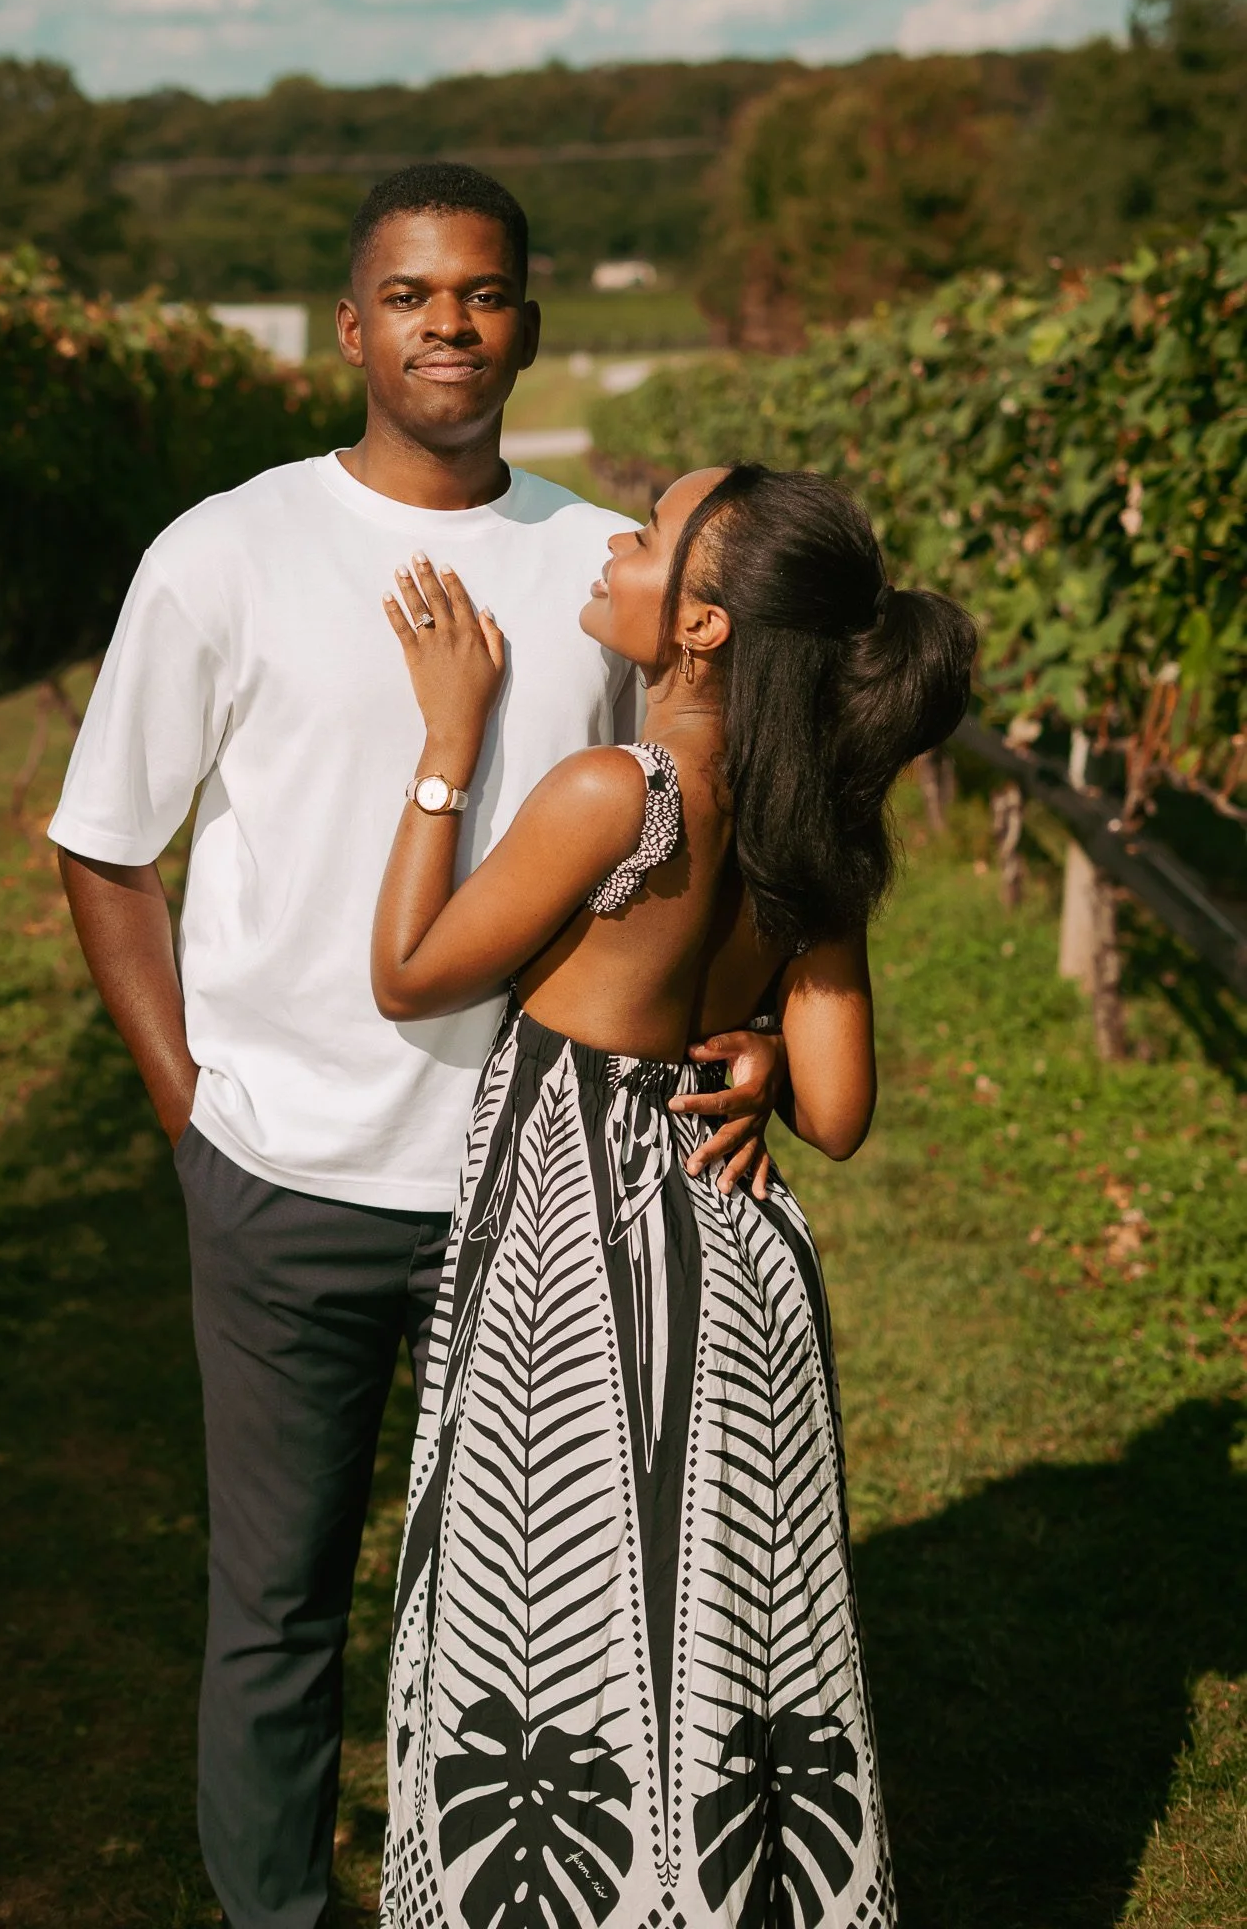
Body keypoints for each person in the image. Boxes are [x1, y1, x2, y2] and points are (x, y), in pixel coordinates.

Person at [48, 164, 786, 1929]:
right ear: (351, 323)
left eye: (483, 292)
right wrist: (193, 1115)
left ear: (528, 321)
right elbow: (104, 848)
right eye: (411, 294)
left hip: (542, 1181)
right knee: (280, 1607)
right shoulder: (224, 551)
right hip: (283, 1174)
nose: (449, 323)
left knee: (542, 1618)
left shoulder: (601, 561)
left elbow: (693, 826)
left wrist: (752, 1020)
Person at [371, 463, 978, 1929]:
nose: (612, 543)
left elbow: (408, 973)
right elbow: (834, 1115)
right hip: (733, 1246)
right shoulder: (806, 816)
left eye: (644, 536)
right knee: (719, 1630)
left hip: (574, 1263)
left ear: (699, 626)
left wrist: (445, 744)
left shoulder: (614, 793)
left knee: (552, 1628)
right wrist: (761, 1043)